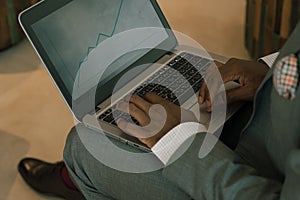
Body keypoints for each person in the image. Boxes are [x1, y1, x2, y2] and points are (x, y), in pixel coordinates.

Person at [18, 23, 300, 200]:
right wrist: (274, 71)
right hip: (276, 122)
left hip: (259, 175)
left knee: (84, 145)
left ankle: (78, 179)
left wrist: (180, 140)